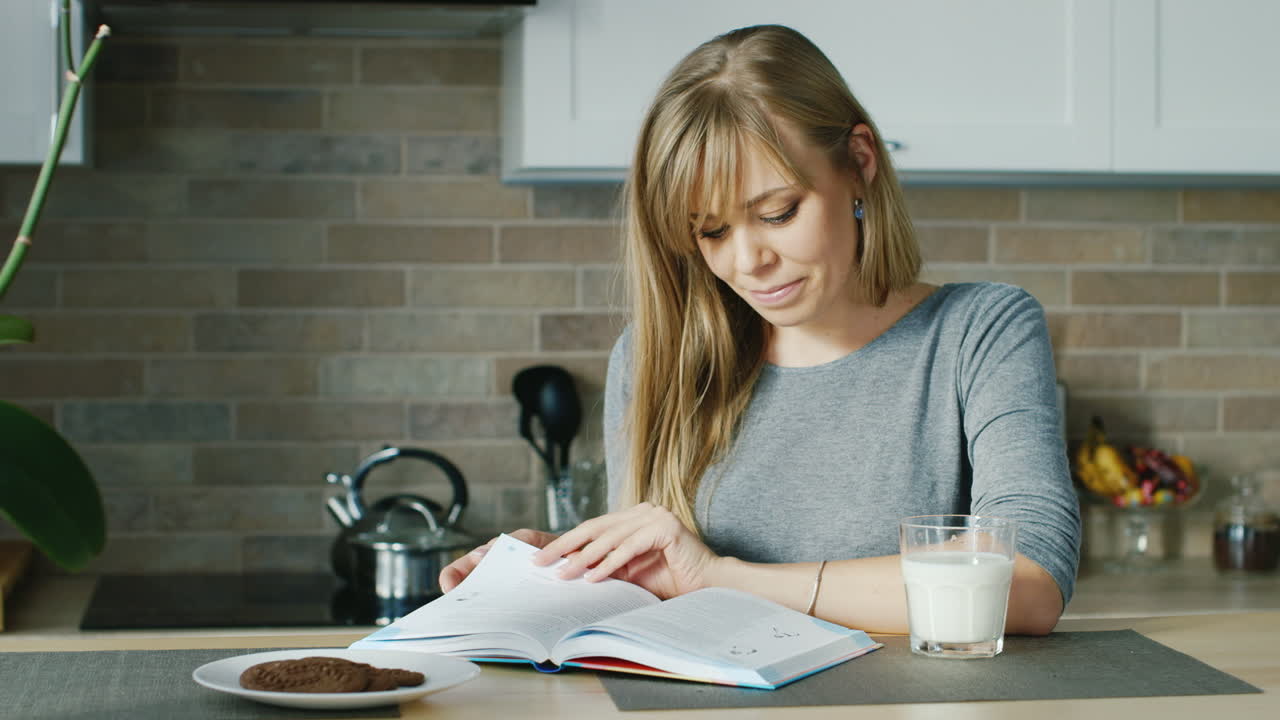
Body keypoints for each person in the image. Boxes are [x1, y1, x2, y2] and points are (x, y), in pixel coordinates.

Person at [440, 24, 1080, 635]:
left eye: (777, 213)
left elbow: (1029, 582)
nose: (747, 262)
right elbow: (658, 590)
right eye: (711, 231)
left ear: (859, 162)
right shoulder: (650, 357)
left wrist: (723, 578)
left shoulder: (981, 331)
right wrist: (564, 566)